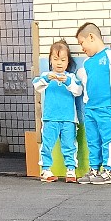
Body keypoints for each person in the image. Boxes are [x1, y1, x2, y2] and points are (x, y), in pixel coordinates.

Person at [76, 21, 111, 183]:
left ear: (91, 37)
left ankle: (109, 170)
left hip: (108, 107)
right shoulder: (87, 63)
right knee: (92, 140)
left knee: (109, 138)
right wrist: (86, 104)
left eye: (82, 43)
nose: (81, 48)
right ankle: (94, 169)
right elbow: (87, 85)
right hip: (91, 108)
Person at [32, 39, 82, 183]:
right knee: (47, 145)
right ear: (50, 60)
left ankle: (71, 170)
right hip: (50, 118)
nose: (59, 63)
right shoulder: (46, 76)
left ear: (68, 61)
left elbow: (78, 91)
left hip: (69, 119)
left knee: (69, 145)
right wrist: (47, 79)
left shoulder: (71, 77)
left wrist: (67, 82)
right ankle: (46, 170)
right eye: (55, 59)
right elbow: (36, 85)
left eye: (63, 60)